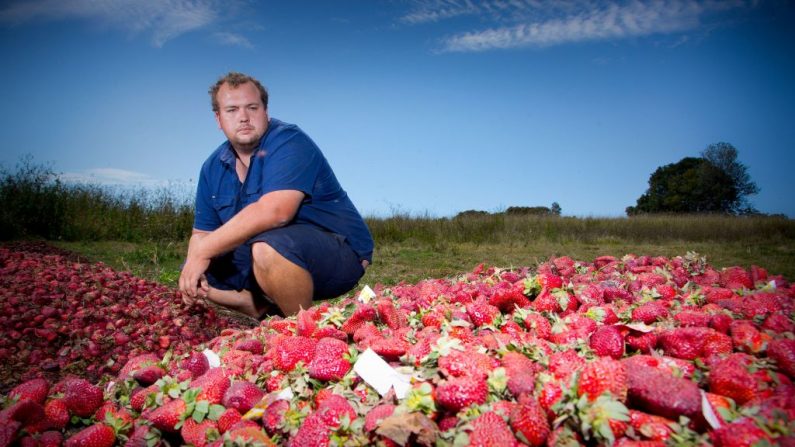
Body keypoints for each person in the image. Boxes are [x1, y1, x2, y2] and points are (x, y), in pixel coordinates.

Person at [178, 72, 373, 318]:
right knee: (194, 273)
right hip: (271, 254)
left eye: (252, 107)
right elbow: (202, 233)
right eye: (232, 110)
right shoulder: (212, 167)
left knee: (268, 248)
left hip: (338, 252)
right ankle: (268, 314)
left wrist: (203, 251)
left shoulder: (289, 141)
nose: (244, 117)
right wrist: (195, 259)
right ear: (218, 118)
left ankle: (302, 332)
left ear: (265, 111)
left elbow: (277, 212)